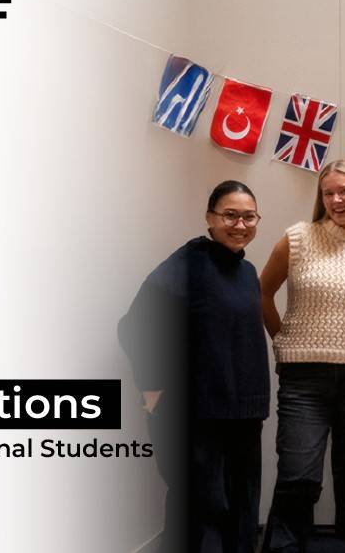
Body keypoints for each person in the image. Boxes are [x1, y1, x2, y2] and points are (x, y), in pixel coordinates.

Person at [118, 180, 270, 553]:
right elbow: (134, 326)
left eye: (249, 217)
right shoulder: (189, 263)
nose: (240, 225)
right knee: (201, 511)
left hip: (244, 415)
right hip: (198, 415)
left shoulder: (247, 272)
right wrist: (151, 386)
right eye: (230, 215)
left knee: (242, 506)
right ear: (210, 218)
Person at [258, 160, 345, 552]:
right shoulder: (298, 238)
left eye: (343, 190)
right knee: (298, 475)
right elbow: (262, 292)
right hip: (303, 378)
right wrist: (283, 339)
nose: (336, 200)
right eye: (327, 193)